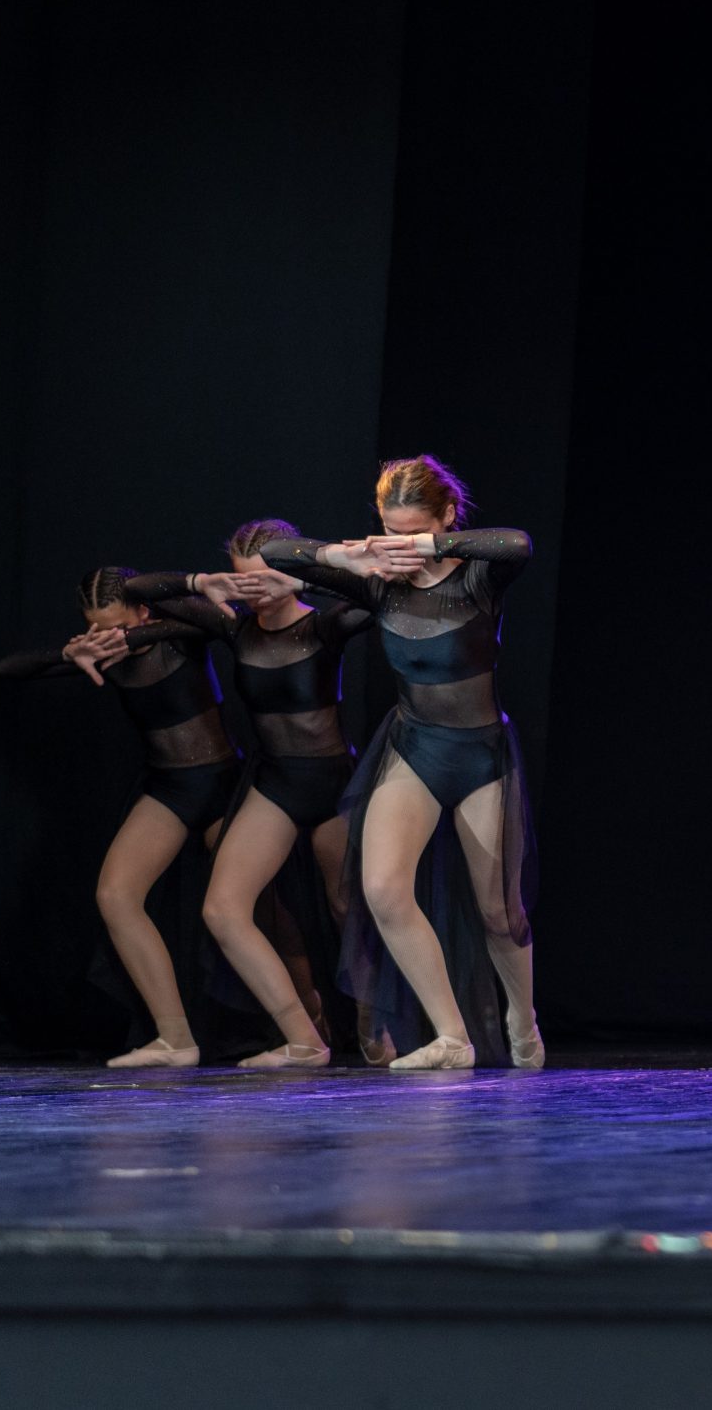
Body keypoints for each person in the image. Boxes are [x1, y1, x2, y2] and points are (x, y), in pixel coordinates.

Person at [260, 457, 541, 1071]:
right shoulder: (377, 581)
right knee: (384, 889)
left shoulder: (479, 577)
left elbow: (517, 543)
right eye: (391, 531)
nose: (401, 546)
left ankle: (523, 1017)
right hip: (415, 747)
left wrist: (431, 546)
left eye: (414, 532)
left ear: (447, 516)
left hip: (481, 754)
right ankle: (451, 1037)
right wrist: (346, 557)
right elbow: (276, 553)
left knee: (498, 911)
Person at [121, 518, 375, 1068]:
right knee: (224, 909)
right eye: (244, 579)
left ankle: (372, 1016)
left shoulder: (324, 626)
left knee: (347, 907)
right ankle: (304, 1039)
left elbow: (376, 593)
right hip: (276, 783)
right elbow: (137, 589)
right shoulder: (234, 626)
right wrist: (201, 584)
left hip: (333, 782)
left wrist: (303, 578)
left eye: (264, 578)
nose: (254, 591)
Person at [0, 567, 243, 1067]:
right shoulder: (102, 653)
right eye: (95, 628)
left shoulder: (180, 633)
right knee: (115, 895)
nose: (105, 638)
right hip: (169, 789)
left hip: (223, 783)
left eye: (117, 627)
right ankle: (175, 1038)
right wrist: (71, 654)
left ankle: (309, 1022)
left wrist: (133, 637)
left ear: (143, 612)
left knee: (255, 908)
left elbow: (223, 622)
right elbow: (9, 669)